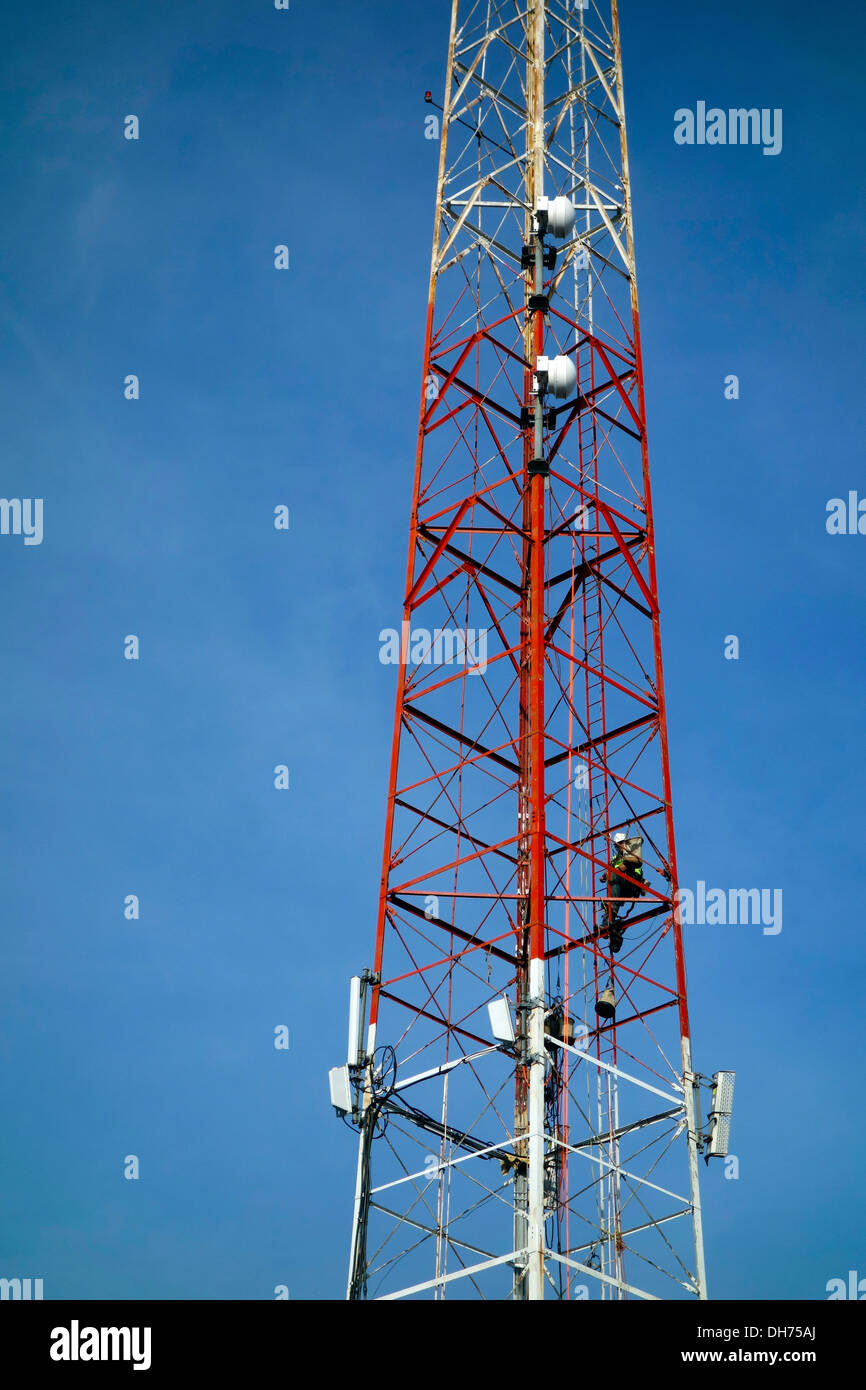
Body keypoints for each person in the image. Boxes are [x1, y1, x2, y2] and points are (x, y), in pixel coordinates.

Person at [599, 832, 646, 953]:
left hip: (631, 883)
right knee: (605, 901)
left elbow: (627, 866)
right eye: (617, 845)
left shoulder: (631, 854)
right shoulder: (616, 858)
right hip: (621, 885)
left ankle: (612, 914)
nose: (619, 847)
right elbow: (611, 868)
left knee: (614, 875)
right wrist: (605, 875)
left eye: (620, 844)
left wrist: (614, 871)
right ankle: (606, 924)